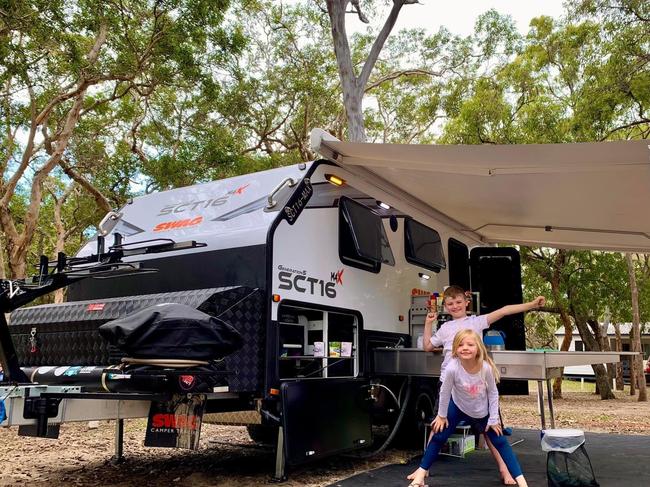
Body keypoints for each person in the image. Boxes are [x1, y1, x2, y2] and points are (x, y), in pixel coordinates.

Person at [422, 285, 545, 485]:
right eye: (450, 304)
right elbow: (428, 346)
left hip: (477, 383)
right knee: (439, 424)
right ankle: (424, 468)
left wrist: (532, 305)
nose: (455, 306)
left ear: (466, 302)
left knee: (492, 428)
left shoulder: (476, 321)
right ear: (445, 306)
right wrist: (428, 324)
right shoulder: (444, 328)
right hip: (449, 383)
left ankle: (505, 470)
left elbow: (504, 310)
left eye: (458, 302)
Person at [407, 329, 528, 487]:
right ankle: (420, 476)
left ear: (478, 348)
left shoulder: (485, 368)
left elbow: (493, 394)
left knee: (500, 441)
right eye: (461, 345)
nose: (465, 347)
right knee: (438, 435)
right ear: (456, 349)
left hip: (481, 412)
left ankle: (522, 481)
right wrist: (442, 415)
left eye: (470, 344)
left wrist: (493, 419)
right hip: (457, 407)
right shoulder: (452, 367)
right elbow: (444, 392)